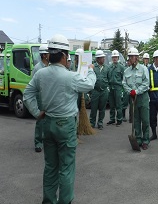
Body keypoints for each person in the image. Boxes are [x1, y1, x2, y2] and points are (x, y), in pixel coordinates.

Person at [23, 34, 96, 204]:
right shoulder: (70, 76)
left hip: (48, 123)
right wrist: (91, 69)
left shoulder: (41, 74)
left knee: (50, 167)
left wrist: (36, 112)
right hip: (66, 125)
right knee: (66, 168)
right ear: (64, 55)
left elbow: (27, 95)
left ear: (49, 54)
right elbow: (89, 85)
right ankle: (65, 201)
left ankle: (48, 201)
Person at [123, 47, 150, 150]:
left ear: (137, 57)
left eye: (133, 56)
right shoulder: (127, 71)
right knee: (136, 120)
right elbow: (124, 83)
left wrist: (136, 91)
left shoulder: (143, 69)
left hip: (142, 97)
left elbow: (146, 83)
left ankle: (145, 140)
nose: (131, 58)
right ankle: (138, 139)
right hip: (133, 98)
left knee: (145, 120)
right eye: (130, 57)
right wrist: (130, 92)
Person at [32, 44, 50, 153]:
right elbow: (33, 85)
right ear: (44, 55)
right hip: (40, 97)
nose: (50, 55)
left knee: (49, 120)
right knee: (40, 120)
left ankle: (47, 140)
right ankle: (38, 142)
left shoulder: (50, 66)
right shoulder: (37, 68)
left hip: (49, 96)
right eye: (48, 53)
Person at [89, 50, 109, 130]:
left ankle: (100, 123)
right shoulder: (93, 67)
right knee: (93, 108)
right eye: (102, 58)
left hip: (104, 91)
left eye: (103, 57)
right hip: (95, 91)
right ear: (97, 59)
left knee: (102, 108)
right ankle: (92, 123)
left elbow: (109, 78)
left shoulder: (107, 67)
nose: (103, 59)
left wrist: (107, 88)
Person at [106, 50, 125, 126]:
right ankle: (112, 119)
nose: (114, 59)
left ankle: (119, 120)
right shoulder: (109, 67)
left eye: (116, 57)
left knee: (118, 104)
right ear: (112, 58)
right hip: (111, 87)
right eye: (113, 57)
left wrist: (122, 88)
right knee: (111, 104)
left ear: (118, 58)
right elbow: (107, 77)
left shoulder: (121, 67)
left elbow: (124, 78)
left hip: (118, 87)